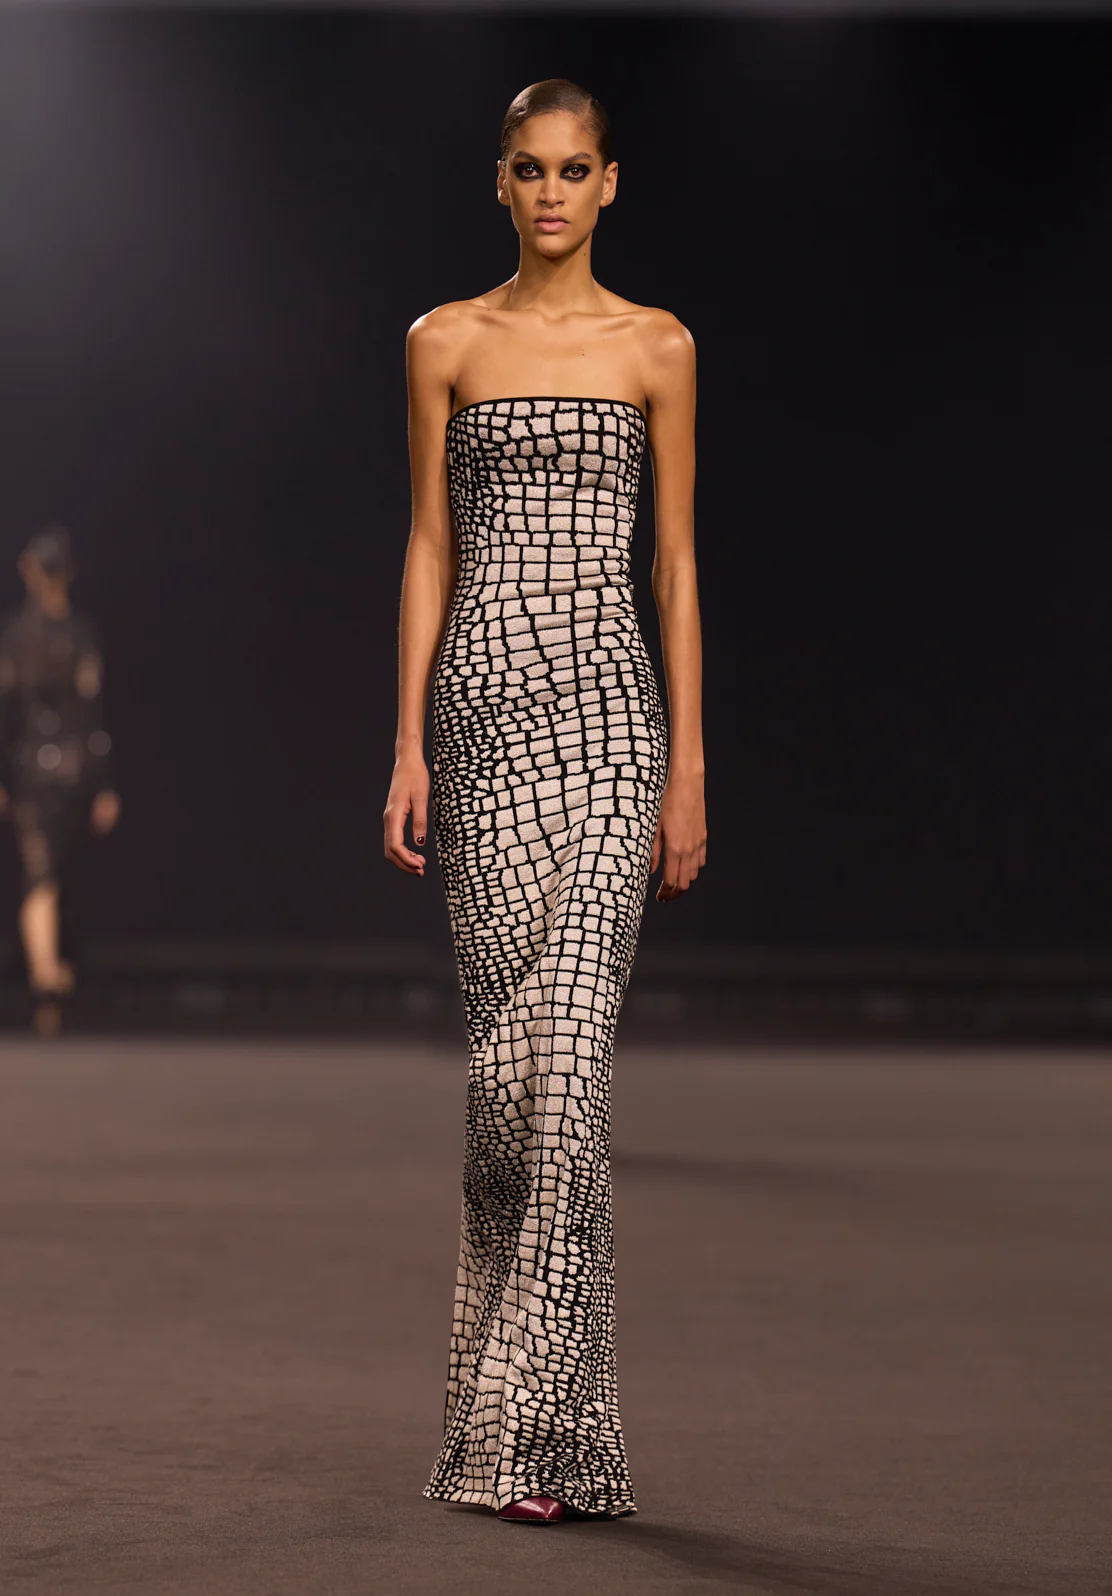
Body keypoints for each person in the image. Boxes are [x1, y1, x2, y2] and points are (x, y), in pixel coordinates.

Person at [383, 79, 705, 1523]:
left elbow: (674, 563)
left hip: (615, 721)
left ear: (610, 182)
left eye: (577, 169)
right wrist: (407, 744)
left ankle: (517, 1437)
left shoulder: (658, 346)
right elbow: (427, 544)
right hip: (485, 720)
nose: (554, 192)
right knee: (508, 1086)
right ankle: (535, 1433)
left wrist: (688, 764)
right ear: (501, 182)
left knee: (570, 1061)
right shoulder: (442, 341)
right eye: (531, 169)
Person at [0, 526, 119, 1028]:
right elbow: (90, 714)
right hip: (61, 767)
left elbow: (13, 710)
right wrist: (104, 781)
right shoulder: (66, 635)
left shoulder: (24, 635)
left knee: (47, 874)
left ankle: (47, 967)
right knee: (45, 875)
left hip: (39, 767)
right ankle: (46, 971)